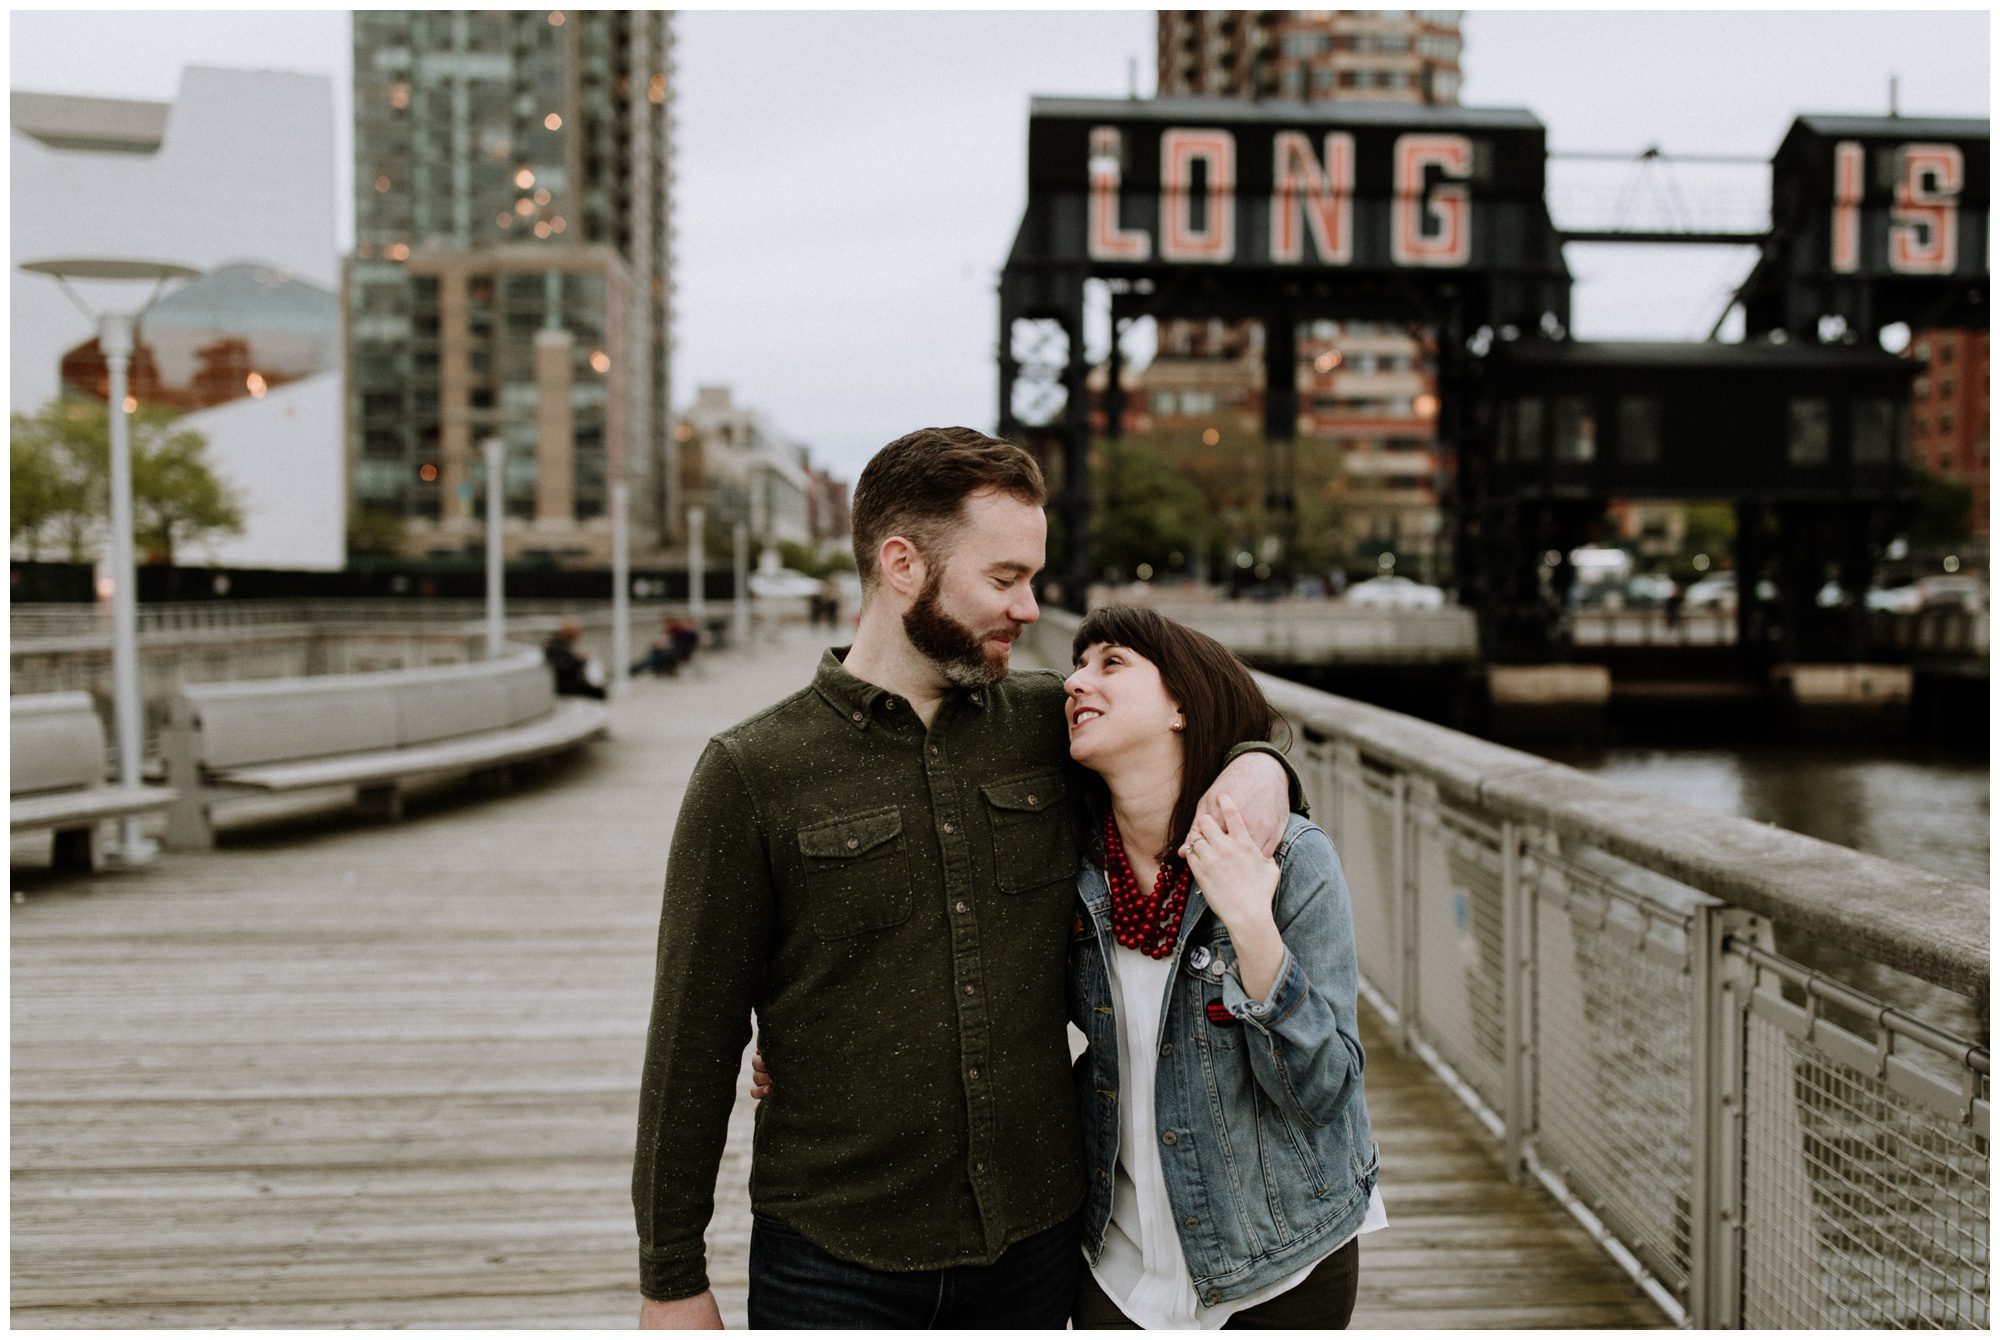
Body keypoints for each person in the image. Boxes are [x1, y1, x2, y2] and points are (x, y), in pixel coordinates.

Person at [631, 427, 1299, 1329]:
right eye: (1005, 579)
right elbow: (692, 1043)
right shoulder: (751, 772)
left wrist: (1263, 766)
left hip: (1038, 1241)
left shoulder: (1054, 724)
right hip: (831, 1256)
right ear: (902, 565)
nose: (1030, 608)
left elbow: (1211, 723)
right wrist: (672, 1278)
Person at [1063, 606, 1382, 1329]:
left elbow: (1324, 1090)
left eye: (1111, 663)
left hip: (1280, 1261)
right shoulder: (1074, 867)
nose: (1076, 682)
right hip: (1117, 1265)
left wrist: (1252, 927)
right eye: (1077, 666)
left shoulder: (1292, 858)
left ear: (1182, 705)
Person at [544, 619, 606, 699]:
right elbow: (564, 664)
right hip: (564, 685)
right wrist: (581, 660)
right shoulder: (556, 646)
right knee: (598, 692)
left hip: (566, 683)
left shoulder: (559, 644)